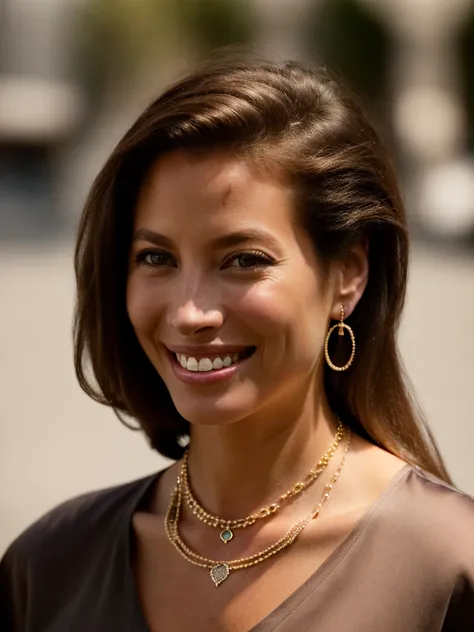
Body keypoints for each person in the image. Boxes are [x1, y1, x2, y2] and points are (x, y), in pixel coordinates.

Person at [1, 54, 474, 632]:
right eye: (156, 258)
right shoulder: (48, 567)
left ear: (348, 273)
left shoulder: (448, 568)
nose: (189, 311)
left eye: (243, 260)